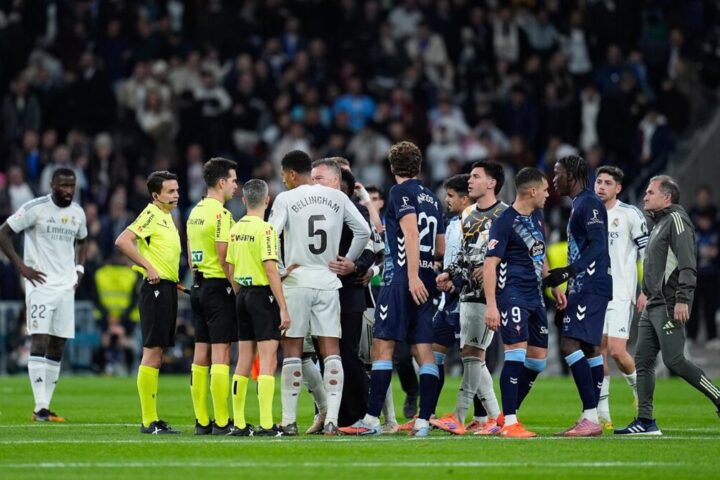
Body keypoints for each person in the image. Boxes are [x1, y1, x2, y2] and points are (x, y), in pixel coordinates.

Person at [339, 141, 446, 437]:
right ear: (419, 166)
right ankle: (423, 421)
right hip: (426, 278)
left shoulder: (400, 192)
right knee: (423, 349)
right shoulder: (433, 198)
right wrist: (422, 272)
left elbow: (411, 233)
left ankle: (372, 419)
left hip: (401, 279)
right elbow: (439, 247)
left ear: (391, 167)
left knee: (382, 346)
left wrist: (410, 275)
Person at [268, 150, 370, 435]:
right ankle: (332, 420)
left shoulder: (286, 198)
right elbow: (364, 232)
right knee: (331, 350)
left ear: (291, 174)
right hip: (328, 280)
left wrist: (279, 267)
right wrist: (347, 260)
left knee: (293, 349)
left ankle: (289, 421)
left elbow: (270, 233)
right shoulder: (338, 197)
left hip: (297, 280)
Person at [615, 176, 720, 435]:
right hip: (653, 303)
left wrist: (683, 299)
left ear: (667, 197)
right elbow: (655, 265)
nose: (645, 196)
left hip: (669, 303)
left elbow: (688, 263)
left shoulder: (676, 220)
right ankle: (645, 421)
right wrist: (644, 291)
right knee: (643, 361)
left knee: (674, 360)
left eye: (650, 192)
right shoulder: (659, 223)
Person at [0, 168, 88, 422]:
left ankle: (45, 407)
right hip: (39, 284)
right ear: (52, 185)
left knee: (58, 343)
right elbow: (3, 232)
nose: (68, 190)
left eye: (71, 186)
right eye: (63, 185)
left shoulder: (78, 212)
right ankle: (39, 407)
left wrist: (79, 269)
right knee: (39, 339)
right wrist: (21, 267)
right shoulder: (35, 208)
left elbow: (82, 240)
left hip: (66, 286)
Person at [484, 167, 565, 438]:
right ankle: (510, 422)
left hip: (535, 296)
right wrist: (492, 305)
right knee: (516, 354)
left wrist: (553, 285)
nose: (548, 194)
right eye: (545, 189)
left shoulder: (537, 217)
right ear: (532, 191)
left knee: (537, 362)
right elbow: (490, 264)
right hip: (512, 295)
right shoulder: (504, 221)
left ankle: (504, 416)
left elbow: (540, 254)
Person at [433, 164, 506, 436]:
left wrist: (493, 268)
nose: (471, 181)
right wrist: (450, 273)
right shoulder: (468, 214)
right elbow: (465, 254)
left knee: (473, 353)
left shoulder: (505, 214)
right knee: (472, 354)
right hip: (466, 292)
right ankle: (497, 419)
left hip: (490, 293)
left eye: (476, 176)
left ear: (492, 183)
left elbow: (516, 253)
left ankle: (459, 416)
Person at [545, 155, 611, 437]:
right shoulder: (579, 204)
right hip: (584, 285)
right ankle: (591, 416)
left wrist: (569, 272)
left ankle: (590, 417)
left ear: (571, 174)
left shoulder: (589, 203)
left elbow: (598, 245)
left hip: (591, 285)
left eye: (557, 173)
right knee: (588, 347)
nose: (553, 180)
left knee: (569, 344)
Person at [309, 160, 376, 429]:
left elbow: (371, 247)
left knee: (348, 353)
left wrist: (355, 265)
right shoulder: (309, 208)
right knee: (323, 355)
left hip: (348, 290)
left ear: (336, 181)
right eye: (312, 178)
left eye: (319, 178)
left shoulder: (356, 209)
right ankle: (331, 415)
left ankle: (361, 414)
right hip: (319, 289)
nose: (314, 183)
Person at [115, 171, 182, 434]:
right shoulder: (152, 214)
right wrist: (148, 266)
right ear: (156, 195)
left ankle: (152, 418)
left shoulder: (166, 216)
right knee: (152, 352)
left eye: (177, 190)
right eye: (170, 191)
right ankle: (148, 421)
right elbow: (123, 241)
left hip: (166, 288)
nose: (176, 195)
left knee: (158, 352)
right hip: (155, 289)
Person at [225, 179, 290, 437]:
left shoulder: (235, 229)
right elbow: (270, 269)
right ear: (267, 199)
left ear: (243, 200)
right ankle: (266, 424)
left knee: (243, 360)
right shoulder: (266, 230)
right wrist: (283, 307)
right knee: (268, 359)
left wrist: (241, 294)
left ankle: (239, 424)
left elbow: (230, 268)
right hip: (263, 297)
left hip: (242, 295)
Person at [186, 158, 238, 435]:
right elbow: (224, 256)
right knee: (221, 354)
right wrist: (236, 288)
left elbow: (189, 255)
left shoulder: (194, 212)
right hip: (218, 288)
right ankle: (222, 421)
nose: (235, 186)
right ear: (221, 182)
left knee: (200, 354)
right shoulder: (222, 215)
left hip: (198, 287)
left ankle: (202, 421)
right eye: (233, 180)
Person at [593, 166, 648, 429]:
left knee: (617, 351)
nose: (601, 186)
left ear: (618, 188)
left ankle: (639, 392)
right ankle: (603, 414)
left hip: (621, 293)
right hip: (595, 293)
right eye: (598, 181)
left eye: (607, 183)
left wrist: (646, 289)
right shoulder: (588, 213)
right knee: (597, 352)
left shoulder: (630, 214)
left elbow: (647, 253)